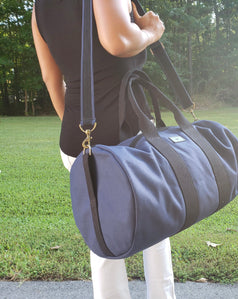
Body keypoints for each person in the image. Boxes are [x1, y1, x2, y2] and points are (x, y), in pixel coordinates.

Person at [32, 0, 176, 298]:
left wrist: (79, 129)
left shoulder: (39, 6)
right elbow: (119, 42)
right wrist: (151, 32)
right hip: (130, 139)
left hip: (79, 140)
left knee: (103, 240)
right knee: (156, 230)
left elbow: (51, 77)